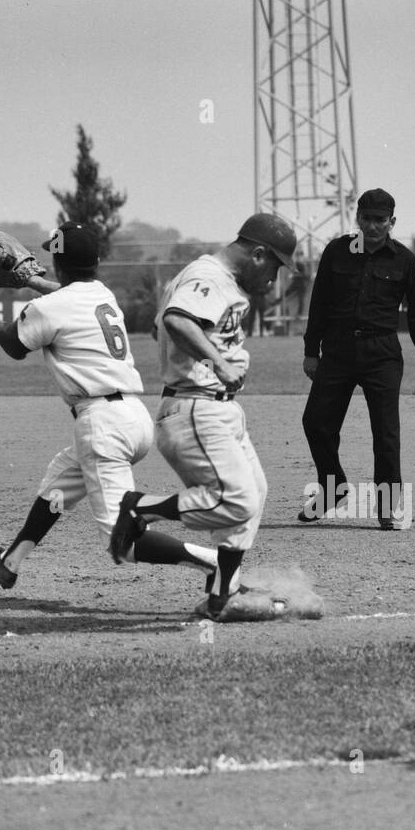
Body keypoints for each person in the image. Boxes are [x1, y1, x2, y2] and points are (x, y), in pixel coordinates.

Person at [0, 223, 218, 594]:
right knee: (59, 484)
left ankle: (216, 563)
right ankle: (11, 561)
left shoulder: (48, 307)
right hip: (133, 418)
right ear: (96, 261)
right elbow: (67, 297)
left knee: (123, 543)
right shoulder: (102, 294)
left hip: (103, 427)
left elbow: (16, 345)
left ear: (57, 261)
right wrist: (34, 283)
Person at [107, 213, 295, 615]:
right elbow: (176, 321)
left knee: (254, 494)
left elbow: (170, 324)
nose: (274, 279)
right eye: (276, 266)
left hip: (217, 409)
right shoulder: (208, 277)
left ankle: (222, 594)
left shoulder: (216, 281)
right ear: (259, 254)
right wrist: (218, 363)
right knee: (237, 500)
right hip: (195, 408)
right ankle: (140, 508)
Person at [300, 188, 415, 530]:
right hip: (338, 351)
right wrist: (310, 350)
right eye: (366, 219)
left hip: (382, 355)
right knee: (315, 422)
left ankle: (388, 508)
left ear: (392, 222)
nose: (372, 226)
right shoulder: (337, 251)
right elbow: (319, 303)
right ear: (357, 218)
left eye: (380, 220)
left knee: (386, 433)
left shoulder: (405, 260)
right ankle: (333, 488)